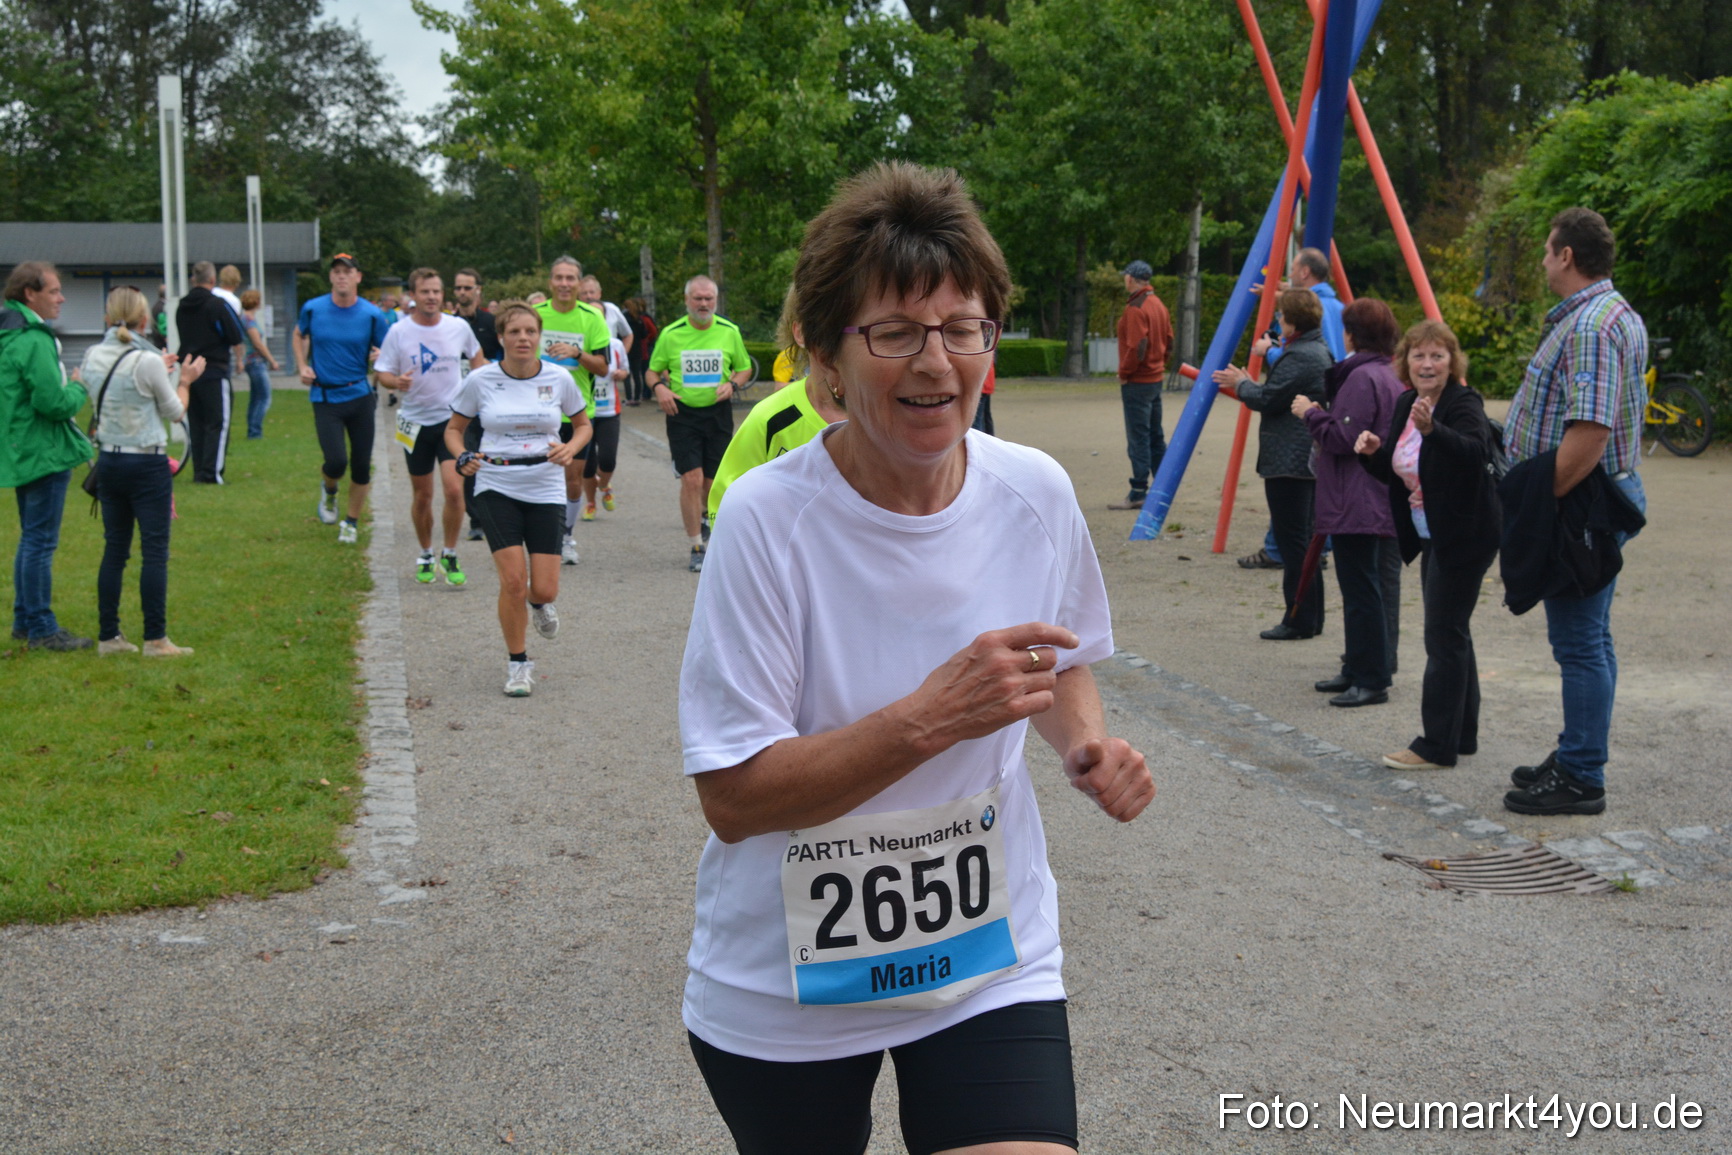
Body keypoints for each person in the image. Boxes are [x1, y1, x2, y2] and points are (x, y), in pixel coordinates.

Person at [678, 161, 1155, 1155]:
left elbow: (1058, 660)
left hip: (984, 960)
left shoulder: (1034, 491)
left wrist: (1082, 746)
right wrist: (929, 719)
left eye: (962, 327)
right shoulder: (768, 521)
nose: (936, 361)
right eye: (894, 332)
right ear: (824, 358)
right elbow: (733, 796)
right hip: (786, 985)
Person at [1498, 208, 1648, 817]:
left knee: (1580, 642)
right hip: (1596, 496)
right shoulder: (1613, 312)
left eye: (1546, 249)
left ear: (1565, 256)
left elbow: (1588, 431)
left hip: (1581, 501)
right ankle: (1578, 749)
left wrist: (1541, 503)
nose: (1541, 258)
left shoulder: (1589, 325)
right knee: (1593, 638)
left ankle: (1583, 776)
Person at [1354, 320, 1502, 769]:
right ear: (1406, 362)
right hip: (1432, 533)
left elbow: (1475, 453)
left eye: (1437, 355)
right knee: (1453, 631)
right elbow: (1400, 474)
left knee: (1443, 635)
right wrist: (1373, 454)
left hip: (1466, 534)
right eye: (1419, 355)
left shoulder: (1462, 403)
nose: (1428, 364)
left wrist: (1435, 430)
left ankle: (1436, 746)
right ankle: (1463, 735)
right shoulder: (1405, 403)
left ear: (1451, 361)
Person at [446, 303, 591, 697]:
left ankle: (540, 604)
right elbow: (454, 429)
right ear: (501, 337)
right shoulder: (481, 380)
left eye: (530, 332)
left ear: (539, 337)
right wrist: (463, 456)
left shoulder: (559, 378)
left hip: (545, 486)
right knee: (512, 581)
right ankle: (518, 664)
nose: (523, 339)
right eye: (514, 332)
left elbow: (582, 424)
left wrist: (570, 448)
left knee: (543, 589)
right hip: (496, 484)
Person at [1292, 298, 1404, 707]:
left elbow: (1342, 438)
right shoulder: (1389, 372)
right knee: (1365, 587)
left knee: (1361, 590)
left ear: (1353, 332)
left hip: (1357, 497)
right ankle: (1358, 667)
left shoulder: (1361, 377)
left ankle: (1370, 678)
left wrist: (1311, 414)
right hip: (1373, 494)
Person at [83, 287, 206, 657]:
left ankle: (109, 636)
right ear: (144, 319)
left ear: (108, 317)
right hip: (146, 461)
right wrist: (184, 381)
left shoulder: (93, 355)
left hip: (109, 460)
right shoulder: (146, 361)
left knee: (114, 549)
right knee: (154, 552)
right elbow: (175, 412)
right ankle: (155, 638)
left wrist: (159, 367)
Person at [1213, 287, 1332, 641]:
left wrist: (1242, 384)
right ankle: (1309, 617)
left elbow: (1269, 397)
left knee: (1293, 541)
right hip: (1300, 459)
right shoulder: (1314, 350)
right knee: (1303, 541)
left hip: (1290, 461)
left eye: (1282, 315)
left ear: (1292, 321)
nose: (1279, 320)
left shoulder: (1301, 356)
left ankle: (1299, 618)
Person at [374, 267, 486, 586]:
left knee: (454, 489)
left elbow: (477, 360)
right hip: (415, 423)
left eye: (437, 291)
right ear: (413, 295)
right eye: (425, 292)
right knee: (422, 496)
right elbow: (381, 373)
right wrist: (395, 381)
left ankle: (449, 553)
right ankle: (425, 553)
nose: (432, 297)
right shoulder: (399, 332)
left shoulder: (458, 327)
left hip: (451, 422)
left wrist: (481, 390)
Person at [2, 261, 93, 651]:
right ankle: (41, 627)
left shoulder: (10, 334)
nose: (62, 297)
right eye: (54, 291)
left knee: (30, 539)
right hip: (44, 450)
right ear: (30, 294)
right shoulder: (34, 339)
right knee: (40, 542)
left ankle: (25, 622)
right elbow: (51, 402)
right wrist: (78, 387)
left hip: (22, 448)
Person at [1239, 246, 1345, 567]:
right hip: (1329, 405)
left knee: (1293, 494)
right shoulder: (1338, 306)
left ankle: (1280, 551)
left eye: (1292, 271)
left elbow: (1302, 360)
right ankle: (1312, 549)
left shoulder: (1315, 321)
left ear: (1304, 273)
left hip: (1303, 416)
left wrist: (1267, 353)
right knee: (1311, 494)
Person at [705, 289, 845, 525]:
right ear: (799, 332)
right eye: (827, 322)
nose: (840, 336)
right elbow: (724, 502)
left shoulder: (892, 415)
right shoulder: (770, 418)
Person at [646, 274, 751, 572]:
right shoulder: (671, 333)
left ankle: (706, 514)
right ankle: (697, 545)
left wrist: (732, 383)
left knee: (712, 482)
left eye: (709, 299)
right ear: (687, 301)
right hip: (683, 414)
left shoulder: (730, 331)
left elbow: (743, 369)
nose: (703, 304)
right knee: (691, 479)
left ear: (716, 301)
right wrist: (660, 389)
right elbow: (652, 373)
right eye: (698, 299)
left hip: (718, 413)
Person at [294, 252, 394, 544]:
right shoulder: (313, 309)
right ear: (330, 277)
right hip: (325, 396)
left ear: (358, 277)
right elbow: (299, 334)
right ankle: (329, 491)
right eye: (336, 271)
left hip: (360, 395)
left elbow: (387, 348)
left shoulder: (371, 314)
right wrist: (302, 365)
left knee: (361, 464)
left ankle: (350, 522)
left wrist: (380, 357)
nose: (342, 276)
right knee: (336, 461)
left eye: (347, 272)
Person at [535, 257, 611, 564]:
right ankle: (539, 536)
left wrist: (577, 353)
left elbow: (604, 367)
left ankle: (566, 536)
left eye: (570, 278)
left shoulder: (592, 318)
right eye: (559, 278)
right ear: (550, 281)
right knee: (537, 475)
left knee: (572, 479)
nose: (564, 284)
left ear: (579, 283)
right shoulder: (536, 315)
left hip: (577, 413)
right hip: (538, 411)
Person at [174, 261, 246, 484]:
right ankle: (211, 472)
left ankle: (199, 471)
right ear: (213, 281)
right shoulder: (217, 305)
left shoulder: (181, 306)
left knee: (196, 422)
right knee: (217, 422)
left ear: (193, 280)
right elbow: (235, 334)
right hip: (214, 369)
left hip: (189, 370)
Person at [1110, 259, 1172, 510]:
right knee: (1156, 434)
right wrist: (1160, 364)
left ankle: (1138, 491)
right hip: (1155, 378)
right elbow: (1170, 340)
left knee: (1139, 437)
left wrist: (1125, 372)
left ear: (1131, 279)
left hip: (1138, 381)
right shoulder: (1158, 304)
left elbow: (1137, 346)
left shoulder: (1136, 308)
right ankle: (1164, 485)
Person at [239, 289, 281, 439]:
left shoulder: (246, 319)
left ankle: (252, 429)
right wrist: (272, 360)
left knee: (255, 398)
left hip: (252, 362)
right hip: (256, 362)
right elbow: (258, 343)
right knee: (264, 397)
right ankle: (255, 431)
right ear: (256, 302)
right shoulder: (249, 321)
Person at [453, 268, 503, 361]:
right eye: (458, 288)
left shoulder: (492, 322)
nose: (462, 292)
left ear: (478, 289)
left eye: (467, 288)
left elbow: (504, 355)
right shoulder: (449, 323)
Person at [624, 297, 658, 405]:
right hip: (638, 349)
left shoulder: (625, 319)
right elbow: (644, 334)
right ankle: (637, 397)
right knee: (637, 374)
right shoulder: (639, 320)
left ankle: (629, 397)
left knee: (627, 375)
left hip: (627, 348)